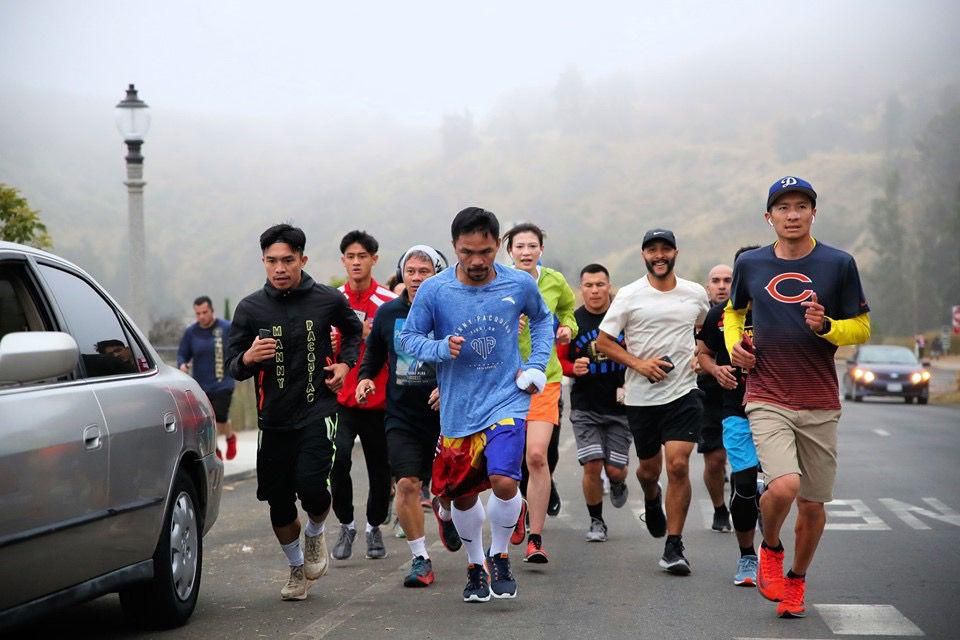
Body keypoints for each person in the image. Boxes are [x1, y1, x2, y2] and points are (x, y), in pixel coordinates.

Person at [726, 176, 871, 618]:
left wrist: (827, 327)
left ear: (813, 213)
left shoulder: (839, 263)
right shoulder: (750, 264)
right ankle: (770, 547)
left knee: (812, 502)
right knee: (784, 484)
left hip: (820, 398)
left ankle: (796, 579)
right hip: (767, 391)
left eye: (801, 206)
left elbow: (862, 327)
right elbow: (735, 312)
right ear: (769, 217)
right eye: (784, 207)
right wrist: (737, 347)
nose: (793, 214)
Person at [398, 206, 553, 603]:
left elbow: (541, 320)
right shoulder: (435, 290)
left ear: (497, 246)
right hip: (458, 408)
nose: (478, 261)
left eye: (485, 251)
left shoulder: (518, 284)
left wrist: (535, 365)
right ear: (455, 248)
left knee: (504, 480)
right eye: (468, 252)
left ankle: (500, 555)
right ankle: (475, 564)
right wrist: (439, 349)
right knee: (463, 495)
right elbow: (409, 339)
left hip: (507, 398)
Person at [225, 223, 363, 601]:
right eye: (272, 261)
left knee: (313, 487)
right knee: (279, 501)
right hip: (273, 419)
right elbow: (234, 366)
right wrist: (249, 357)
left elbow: (353, 332)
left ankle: (316, 533)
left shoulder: (326, 299)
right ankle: (296, 568)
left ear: (303, 259)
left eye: (288, 260)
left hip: (318, 408)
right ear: (264, 262)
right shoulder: (250, 308)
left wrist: (345, 367)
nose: (280, 268)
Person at [596, 229, 709, 575]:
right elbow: (603, 342)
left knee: (677, 464)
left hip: (683, 393)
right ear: (643, 255)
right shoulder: (630, 295)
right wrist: (639, 364)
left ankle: (674, 546)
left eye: (665, 249)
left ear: (675, 252)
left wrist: (699, 356)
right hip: (642, 398)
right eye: (652, 251)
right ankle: (650, 495)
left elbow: (703, 332)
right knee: (649, 470)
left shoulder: (696, 293)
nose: (659, 256)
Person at [355, 245, 462, 589]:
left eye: (424, 271)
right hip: (401, 416)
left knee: (449, 489)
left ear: (438, 274)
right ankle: (420, 558)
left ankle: (446, 514)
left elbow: (470, 361)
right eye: (411, 271)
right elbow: (372, 357)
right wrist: (366, 379)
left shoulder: (451, 311)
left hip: (447, 417)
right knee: (406, 484)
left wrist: (447, 389)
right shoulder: (388, 315)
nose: (416, 278)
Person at [504, 222, 578, 563]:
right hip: (503, 380)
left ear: (540, 250)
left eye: (532, 246)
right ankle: (516, 507)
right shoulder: (497, 281)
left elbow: (567, 312)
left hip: (544, 378)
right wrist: (507, 323)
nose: (526, 252)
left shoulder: (554, 281)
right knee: (507, 461)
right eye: (519, 246)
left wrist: (567, 328)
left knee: (536, 455)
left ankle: (535, 537)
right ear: (510, 251)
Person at [330, 230, 397, 561]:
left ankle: (373, 527)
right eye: (350, 257)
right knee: (338, 460)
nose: (356, 262)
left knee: (379, 469)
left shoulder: (387, 302)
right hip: (341, 400)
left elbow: (399, 349)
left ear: (374, 259)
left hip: (379, 401)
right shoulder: (332, 301)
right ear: (343, 261)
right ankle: (346, 525)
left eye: (362, 256)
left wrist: (371, 337)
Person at [697, 247, 762, 587]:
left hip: (780, 409)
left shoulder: (785, 311)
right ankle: (748, 556)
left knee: (777, 487)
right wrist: (716, 369)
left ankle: (774, 549)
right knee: (746, 482)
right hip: (734, 408)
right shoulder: (720, 315)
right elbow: (704, 353)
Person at [558, 263, 631, 542]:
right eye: (589, 285)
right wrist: (570, 367)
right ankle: (596, 521)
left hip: (621, 406)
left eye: (600, 284)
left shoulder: (623, 318)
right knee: (592, 463)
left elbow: (639, 350)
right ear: (581, 289)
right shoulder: (574, 323)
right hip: (585, 406)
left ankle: (617, 480)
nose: (595, 290)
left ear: (609, 286)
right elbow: (559, 360)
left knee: (615, 468)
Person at [177, 296, 237, 460]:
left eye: (204, 312)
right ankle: (218, 446)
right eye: (198, 314)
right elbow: (183, 353)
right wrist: (182, 364)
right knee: (207, 420)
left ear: (212, 311)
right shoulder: (191, 332)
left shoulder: (226, 328)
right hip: (201, 385)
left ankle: (224, 441)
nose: (201, 316)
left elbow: (239, 345)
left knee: (219, 417)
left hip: (223, 382)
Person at [699, 265, 733, 532]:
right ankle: (720, 509)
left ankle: (746, 500)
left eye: (728, 280)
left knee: (750, 463)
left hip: (745, 395)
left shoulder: (746, 312)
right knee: (715, 460)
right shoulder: (698, 316)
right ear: (707, 286)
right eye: (716, 281)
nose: (722, 286)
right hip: (708, 396)